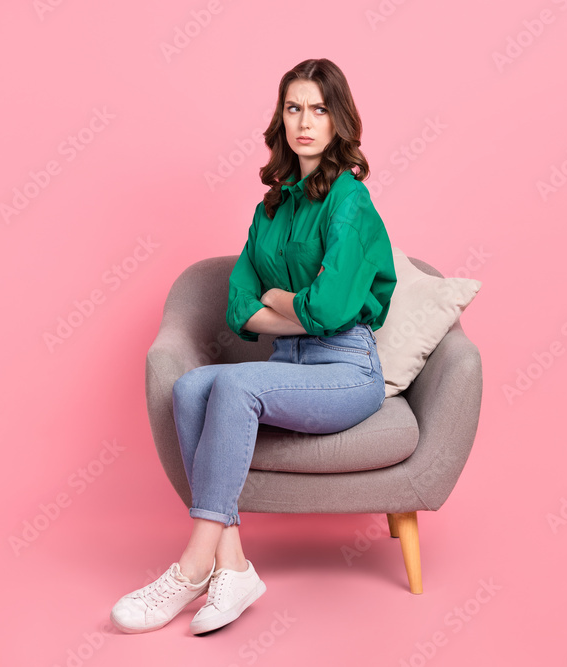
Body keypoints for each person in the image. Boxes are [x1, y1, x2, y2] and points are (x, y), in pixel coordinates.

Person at [110, 58, 396, 636]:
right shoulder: (269, 208)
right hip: (290, 367)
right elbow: (241, 306)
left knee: (234, 383)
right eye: (294, 108)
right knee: (191, 386)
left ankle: (193, 567)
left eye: (318, 109)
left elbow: (335, 309)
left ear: (338, 120)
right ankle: (233, 564)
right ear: (281, 119)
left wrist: (284, 303)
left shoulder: (350, 201)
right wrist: (301, 308)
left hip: (347, 368)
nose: (305, 122)